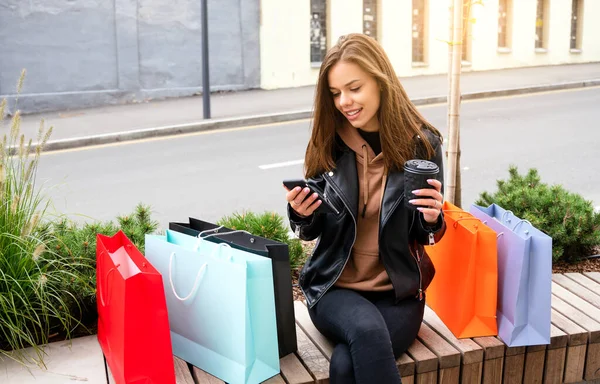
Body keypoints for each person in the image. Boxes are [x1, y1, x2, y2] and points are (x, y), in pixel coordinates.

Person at [284, 33, 447, 383]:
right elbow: (311, 229)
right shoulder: (328, 138)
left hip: (397, 293)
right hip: (334, 288)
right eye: (335, 93)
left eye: (354, 88)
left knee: (344, 366)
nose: (344, 101)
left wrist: (433, 220)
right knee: (366, 330)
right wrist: (302, 214)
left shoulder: (423, 143)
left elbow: (426, 235)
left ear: (379, 79)